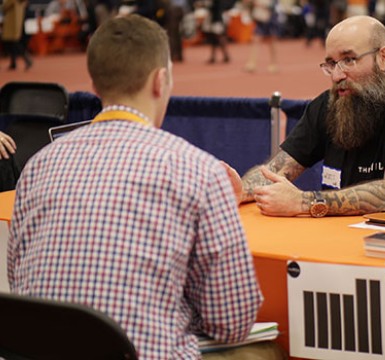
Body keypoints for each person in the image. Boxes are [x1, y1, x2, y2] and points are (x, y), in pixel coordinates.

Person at [8, 14, 268, 359]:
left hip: (40, 351)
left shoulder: (39, 164)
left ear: (96, 85)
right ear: (160, 81)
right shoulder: (197, 170)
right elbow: (231, 322)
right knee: (262, 352)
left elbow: (18, 282)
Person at [228, 15, 385, 217]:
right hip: (336, 238)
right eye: (331, 63)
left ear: (383, 58)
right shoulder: (327, 104)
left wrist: (305, 202)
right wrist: (241, 191)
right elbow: (275, 171)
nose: (337, 75)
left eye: (349, 60)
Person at [244, 0, 279, 73]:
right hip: (261, 17)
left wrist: (261, 4)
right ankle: (252, 63)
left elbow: (273, 5)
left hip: (270, 17)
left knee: (271, 41)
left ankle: (274, 63)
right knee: (256, 39)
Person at [1, 0, 33, 70]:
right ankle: (14, 62)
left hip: (11, 19)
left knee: (13, 42)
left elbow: (6, 6)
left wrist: (3, 6)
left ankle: (26, 58)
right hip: (16, 18)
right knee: (12, 42)